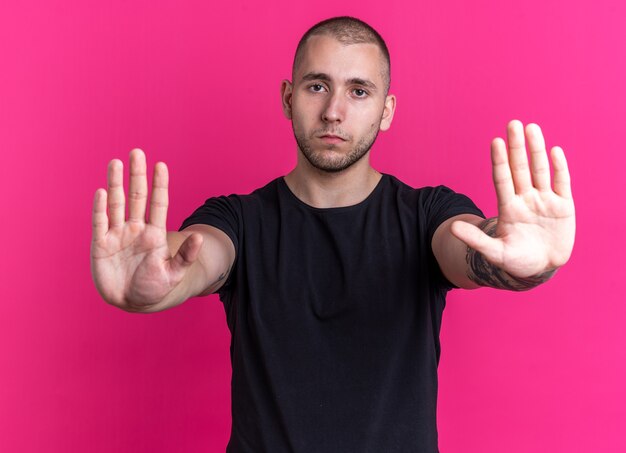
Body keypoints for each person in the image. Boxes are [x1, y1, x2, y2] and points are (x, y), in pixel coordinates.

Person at [90, 16, 575, 453]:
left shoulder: (429, 214)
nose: (334, 111)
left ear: (386, 111)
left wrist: (525, 263)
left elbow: (469, 248)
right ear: (288, 97)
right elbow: (197, 258)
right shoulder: (238, 219)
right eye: (317, 86)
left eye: (359, 91)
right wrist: (150, 286)